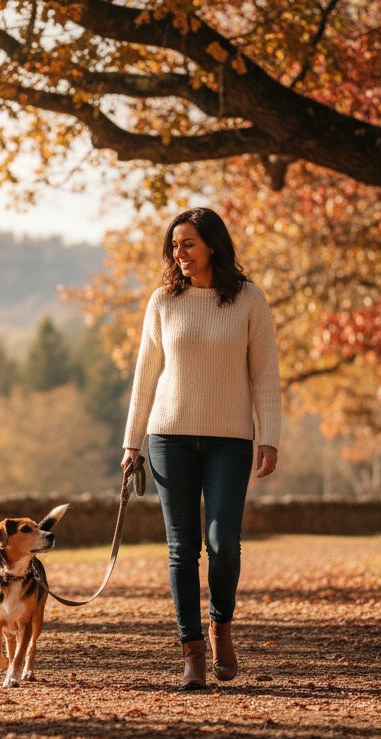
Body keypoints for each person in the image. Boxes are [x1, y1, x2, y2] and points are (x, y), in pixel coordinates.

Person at [121, 206, 281, 690]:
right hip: (168, 437)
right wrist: (132, 443)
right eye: (174, 245)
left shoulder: (249, 300)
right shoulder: (163, 301)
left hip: (230, 440)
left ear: (212, 244)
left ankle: (221, 627)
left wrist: (269, 435)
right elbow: (145, 376)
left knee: (223, 543)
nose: (180, 253)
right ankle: (191, 651)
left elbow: (266, 376)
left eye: (188, 243)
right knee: (181, 548)